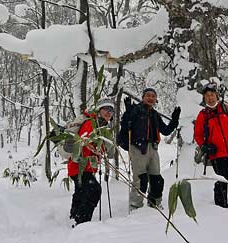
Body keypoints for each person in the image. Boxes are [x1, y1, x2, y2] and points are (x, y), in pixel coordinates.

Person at [120, 87, 180, 210]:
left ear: (156, 99)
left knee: (156, 178)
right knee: (140, 179)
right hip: (137, 148)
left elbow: (166, 130)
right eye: (148, 95)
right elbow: (125, 126)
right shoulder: (135, 110)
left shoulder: (154, 114)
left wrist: (174, 120)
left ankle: (155, 203)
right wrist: (127, 113)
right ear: (143, 97)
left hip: (153, 149)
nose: (150, 98)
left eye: (153, 96)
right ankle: (135, 205)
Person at [68, 98, 115, 226]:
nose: (109, 112)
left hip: (82, 167)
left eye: (111, 110)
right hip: (80, 166)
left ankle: (74, 216)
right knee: (94, 190)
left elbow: (100, 148)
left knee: (81, 192)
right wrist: (94, 148)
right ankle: (82, 223)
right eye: (106, 109)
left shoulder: (102, 127)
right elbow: (83, 142)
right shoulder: (91, 123)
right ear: (99, 110)